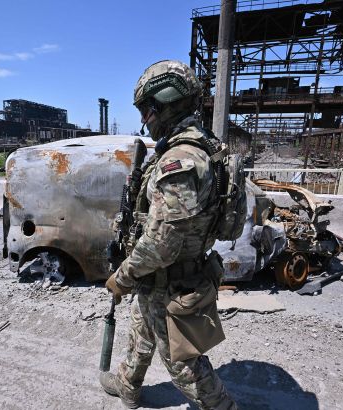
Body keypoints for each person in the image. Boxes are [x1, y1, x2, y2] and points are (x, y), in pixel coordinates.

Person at [101, 60, 237, 410]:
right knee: (140, 328)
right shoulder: (205, 146)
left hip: (169, 277)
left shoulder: (180, 160)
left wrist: (123, 276)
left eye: (148, 110)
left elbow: (162, 242)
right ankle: (128, 385)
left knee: (182, 363)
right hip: (169, 274)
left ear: (166, 104)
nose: (145, 119)